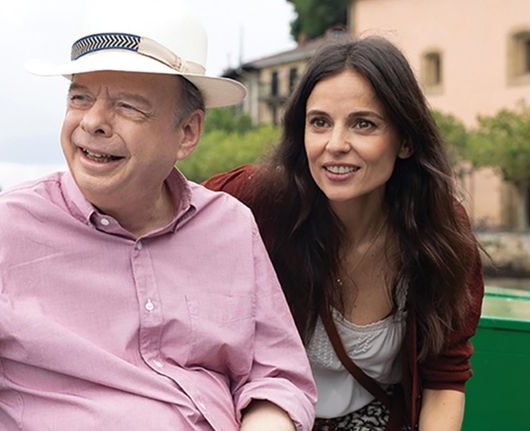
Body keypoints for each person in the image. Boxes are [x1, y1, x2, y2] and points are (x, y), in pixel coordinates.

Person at [0, 1, 316, 430]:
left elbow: (277, 377)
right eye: (80, 96)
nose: (92, 122)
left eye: (127, 105)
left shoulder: (229, 225)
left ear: (187, 132)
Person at [204, 36, 484, 431]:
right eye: (319, 122)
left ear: (405, 140)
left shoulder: (439, 231)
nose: (335, 145)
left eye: (363, 124)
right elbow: (167, 213)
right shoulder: (255, 201)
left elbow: (445, 377)